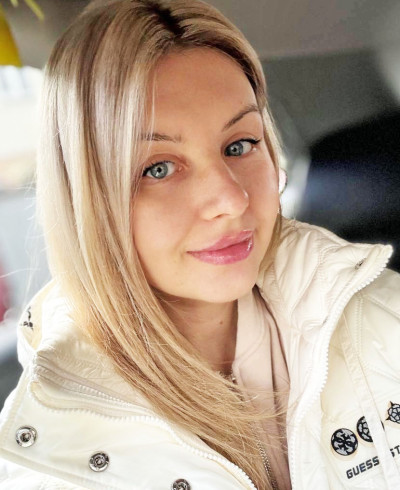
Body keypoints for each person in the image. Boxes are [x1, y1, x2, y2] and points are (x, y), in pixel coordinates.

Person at [0, 0, 400, 489]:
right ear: (86, 200)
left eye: (240, 145)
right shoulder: (47, 467)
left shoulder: (385, 319)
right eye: (158, 168)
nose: (231, 200)